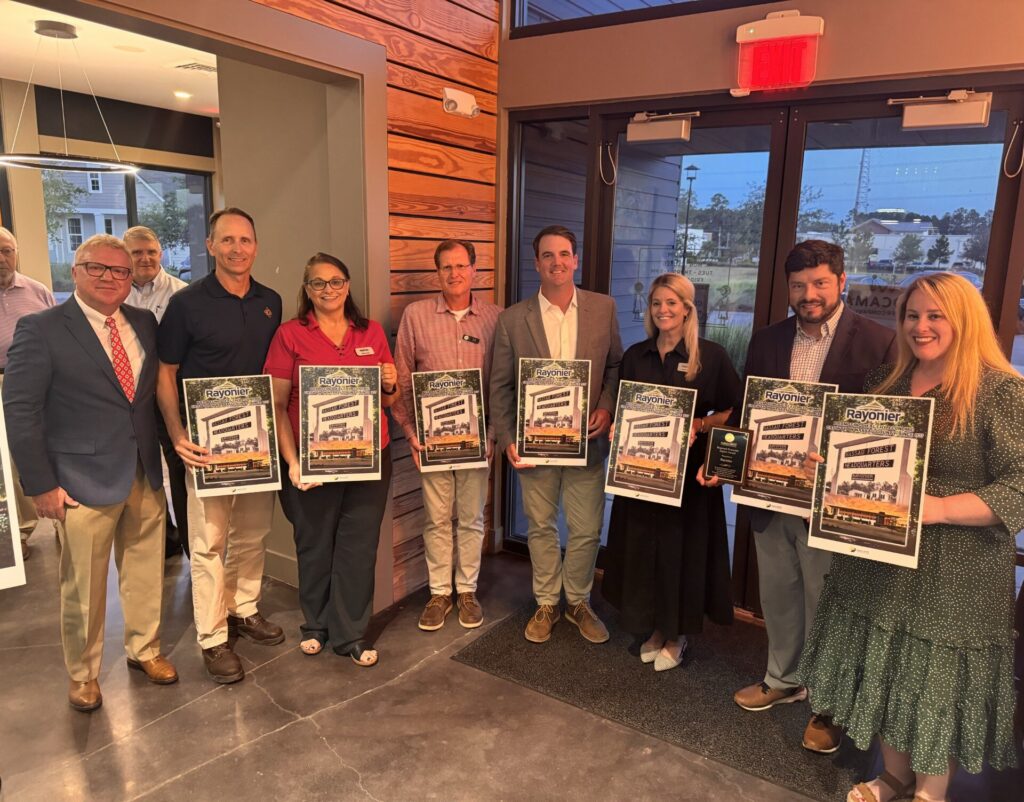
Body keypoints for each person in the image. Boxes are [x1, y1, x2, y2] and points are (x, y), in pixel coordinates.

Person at [799, 273, 1023, 802]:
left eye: (935, 315)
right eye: (912, 316)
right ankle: (893, 777)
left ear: (964, 320)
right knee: (888, 666)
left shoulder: (1001, 390)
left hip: (957, 568)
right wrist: (828, 470)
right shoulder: (890, 379)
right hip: (882, 556)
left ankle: (930, 792)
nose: (920, 327)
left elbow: (1020, 484)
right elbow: (871, 460)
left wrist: (940, 507)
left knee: (932, 683)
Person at [707, 240, 896, 753]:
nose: (808, 294)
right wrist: (724, 462)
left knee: (828, 601)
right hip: (769, 495)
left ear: (841, 280)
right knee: (780, 594)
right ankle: (782, 678)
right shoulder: (767, 340)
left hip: (833, 501)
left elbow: (889, 431)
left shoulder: (880, 342)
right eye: (798, 285)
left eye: (818, 283)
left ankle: (830, 702)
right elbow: (748, 413)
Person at [3, 234, 176, 712]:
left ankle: (145, 649)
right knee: (82, 585)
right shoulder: (41, 328)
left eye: (120, 271)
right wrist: (39, 484)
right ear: (75, 271)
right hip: (79, 482)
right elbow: (20, 410)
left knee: (145, 572)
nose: (109, 278)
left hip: (143, 470)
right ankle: (83, 674)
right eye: (97, 268)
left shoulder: (142, 321)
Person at [157, 208, 283, 684]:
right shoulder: (187, 304)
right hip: (206, 446)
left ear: (256, 245)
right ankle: (211, 637)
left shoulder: (270, 301)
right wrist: (177, 434)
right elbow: (165, 374)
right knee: (207, 543)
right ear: (210, 246)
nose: (237, 248)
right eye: (226, 240)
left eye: (245, 240)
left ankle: (244, 608)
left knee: (252, 533)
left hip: (256, 442)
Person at [489, 224, 623, 644]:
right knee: (541, 525)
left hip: (588, 443)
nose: (557, 262)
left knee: (585, 529)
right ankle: (547, 601)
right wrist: (509, 437)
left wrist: (604, 405)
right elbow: (500, 385)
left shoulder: (604, 308)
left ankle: (578, 601)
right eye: (548, 255)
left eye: (564, 254)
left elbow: (616, 366)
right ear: (537, 264)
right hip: (535, 447)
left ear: (575, 260)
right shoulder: (513, 319)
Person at [602, 274, 741, 671]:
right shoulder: (636, 355)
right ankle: (653, 628)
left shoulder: (710, 357)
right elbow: (627, 409)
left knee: (680, 554)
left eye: (672, 303)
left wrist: (700, 424)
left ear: (687, 308)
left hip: (689, 482)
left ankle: (676, 635)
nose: (663, 310)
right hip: (642, 475)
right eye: (656, 303)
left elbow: (735, 408)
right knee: (645, 550)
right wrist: (618, 425)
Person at [264, 253, 397, 665]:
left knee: (359, 546)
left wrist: (391, 383)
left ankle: (351, 634)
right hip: (311, 460)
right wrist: (292, 462)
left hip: (369, 458)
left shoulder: (371, 331)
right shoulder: (290, 334)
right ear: (307, 290)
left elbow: (389, 399)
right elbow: (277, 402)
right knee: (315, 544)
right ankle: (316, 625)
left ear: (348, 285)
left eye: (336, 281)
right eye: (318, 283)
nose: (328, 290)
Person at [392, 239, 500, 631]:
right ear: (436, 273)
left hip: (477, 440)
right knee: (436, 519)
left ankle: (466, 590)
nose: (454, 274)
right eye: (446, 267)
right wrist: (409, 432)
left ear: (475, 270)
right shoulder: (416, 315)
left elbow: (501, 382)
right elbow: (402, 376)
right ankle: (440, 593)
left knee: (471, 517)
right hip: (431, 442)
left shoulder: (494, 318)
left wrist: (493, 435)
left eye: (461, 265)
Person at [124, 225, 189, 559]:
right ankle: (161, 538)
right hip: (127, 400)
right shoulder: (115, 293)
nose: (145, 258)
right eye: (137, 252)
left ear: (161, 253)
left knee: (177, 467)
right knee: (140, 468)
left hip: (170, 397)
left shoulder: (182, 295)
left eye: (151, 251)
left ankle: (188, 541)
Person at [0, 226, 56, 561]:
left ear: (16, 253)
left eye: (7, 250)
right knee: (5, 463)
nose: (1, 258)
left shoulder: (37, 292)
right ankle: (16, 534)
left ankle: (60, 522)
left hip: (38, 384)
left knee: (42, 450)